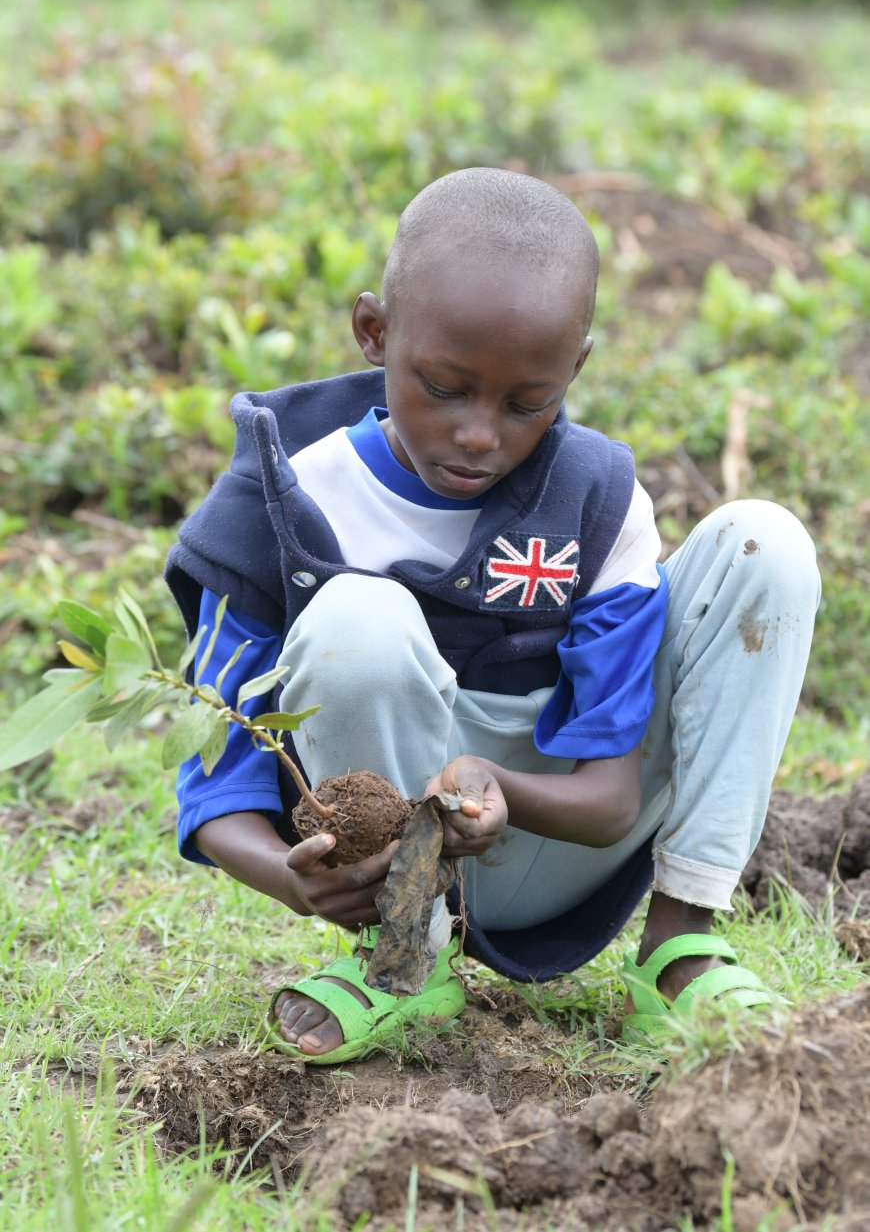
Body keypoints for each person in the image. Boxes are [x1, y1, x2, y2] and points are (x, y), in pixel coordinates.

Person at [166, 167, 820, 1061]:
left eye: (527, 403)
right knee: (354, 611)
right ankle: (401, 957)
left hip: (557, 838)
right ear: (374, 332)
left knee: (766, 542)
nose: (481, 434)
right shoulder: (282, 499)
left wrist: (506, 792)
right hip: (387, 867)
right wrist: (285, 876)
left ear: (574, 370)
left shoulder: (595, 502)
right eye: (444, 387)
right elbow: (217, 791)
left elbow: (609, 796)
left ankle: (681, 949)